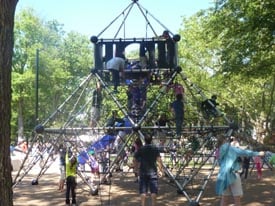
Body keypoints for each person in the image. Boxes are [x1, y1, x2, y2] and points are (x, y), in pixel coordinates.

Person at [216, 135, 265, 206]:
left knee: (224, 199)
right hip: (233, 174)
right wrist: (258, 153)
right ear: (225, 141)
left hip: (223, 175)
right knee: (237, 199)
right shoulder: (231, 149)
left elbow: (220, 163)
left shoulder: (219, 150)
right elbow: (245, 152)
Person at [134, 133, 163, 206]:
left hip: (143, 172)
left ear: (144, 140)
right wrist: (160, 170)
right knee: (154, 191)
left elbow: (135, 159)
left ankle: (143, 204)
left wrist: (136, 169)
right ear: (151, 140)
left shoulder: (141, 149)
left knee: (143, 191)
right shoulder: (155, 148)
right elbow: (159, 160)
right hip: (153, 172)